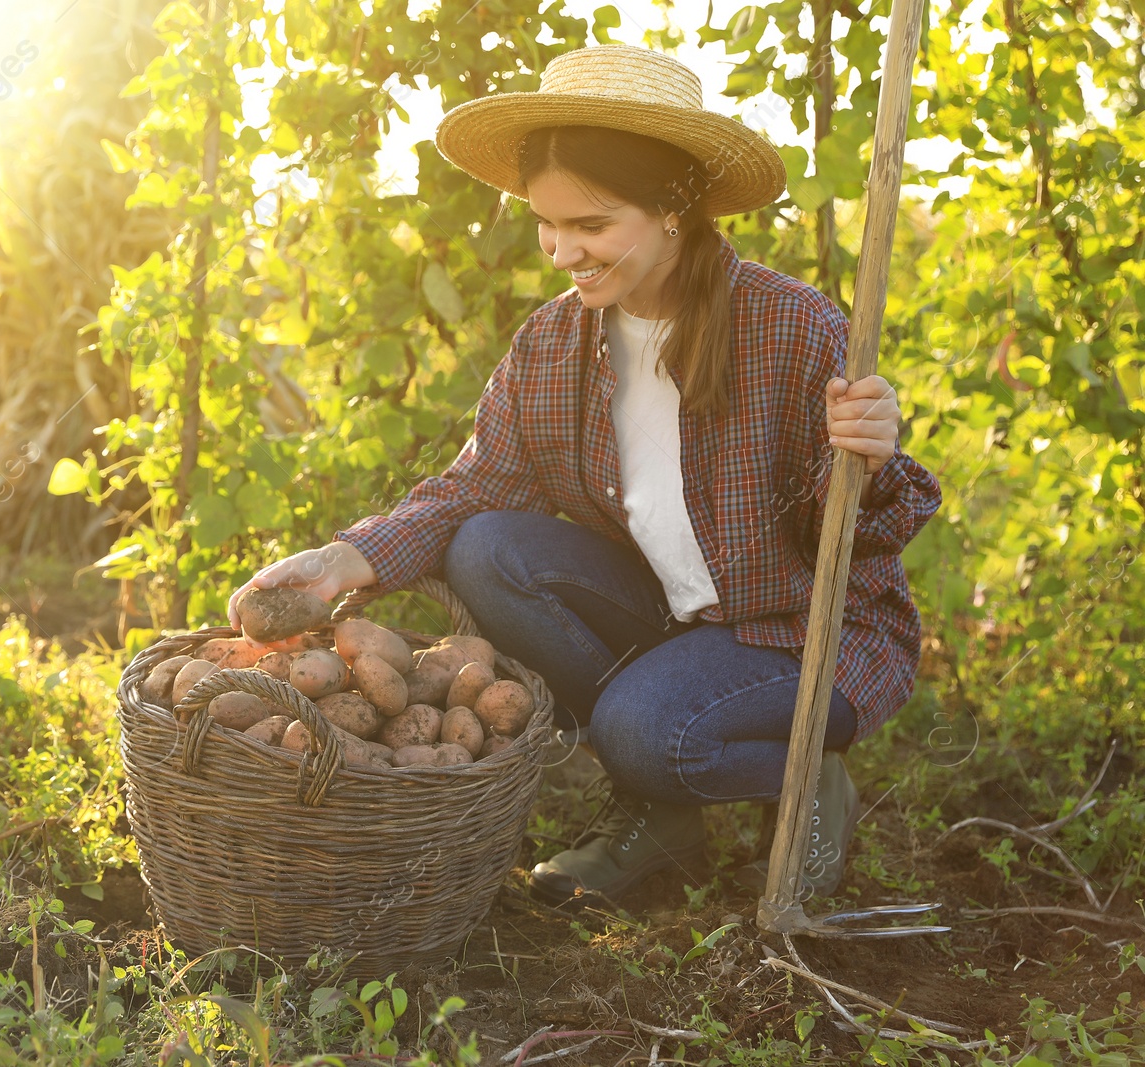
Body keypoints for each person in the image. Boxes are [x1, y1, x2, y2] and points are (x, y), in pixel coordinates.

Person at [226, 43, 942, 907]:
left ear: (674, 212)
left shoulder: (790, 328)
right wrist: (348, 559)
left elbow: (858, 541)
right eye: (546, 222)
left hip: (802, 634)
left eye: (591, 226)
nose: (562, 251)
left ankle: (797, 780)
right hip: (678, 619)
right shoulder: (555, 343)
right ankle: (665, 807)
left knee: (643, 731)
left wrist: (868, 456)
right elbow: (473, 488)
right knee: (488, 548)